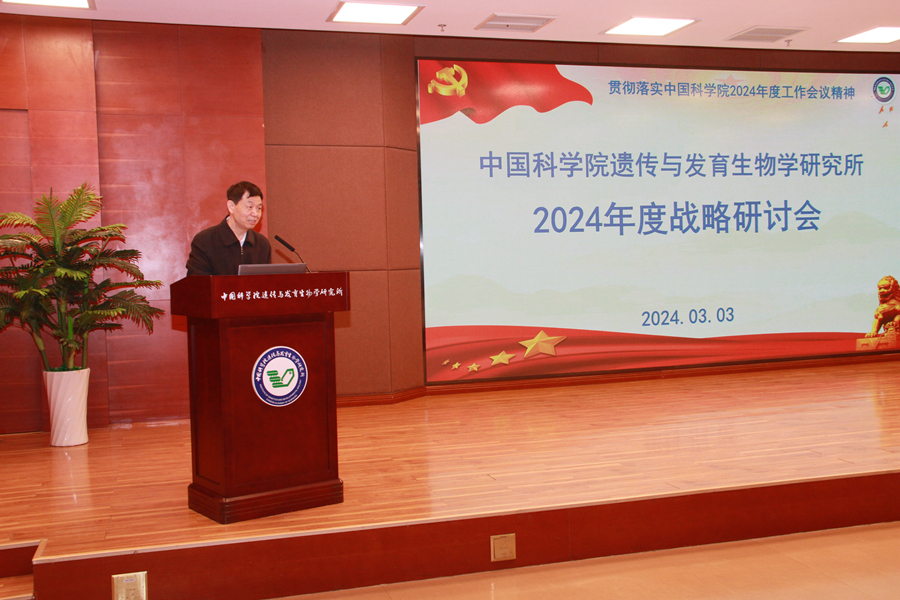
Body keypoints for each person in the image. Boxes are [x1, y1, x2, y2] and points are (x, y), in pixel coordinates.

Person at [186, 181, 272, 276]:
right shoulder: (205, 241)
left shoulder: (262, 244)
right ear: (231, 206)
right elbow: (196, 282)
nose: (255, 214)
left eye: (258, 208)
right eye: (249, 207)